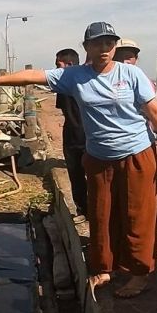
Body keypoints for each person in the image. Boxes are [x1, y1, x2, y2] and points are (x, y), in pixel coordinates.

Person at [0, 21, 157, 298]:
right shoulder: (75, 76)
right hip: (98, 157)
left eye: (109, 43)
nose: (104, 48)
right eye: (97, 43)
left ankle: (139, 273)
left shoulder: (131, 74)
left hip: (136, 154)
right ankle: (104, 267)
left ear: (115, 46)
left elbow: (155, 111)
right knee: (100, 213)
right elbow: (33, 76)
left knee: (137, 215)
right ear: (87, 47)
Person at [54, 48, 87, 219]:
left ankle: (88, 210)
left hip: (86, 136)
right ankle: (83, 210)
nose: (56, 68)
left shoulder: (80, 81)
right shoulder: (66, 83)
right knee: (76, 175)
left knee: (87, 176)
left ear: (70, 64)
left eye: (58, 65)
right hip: (73, 136)